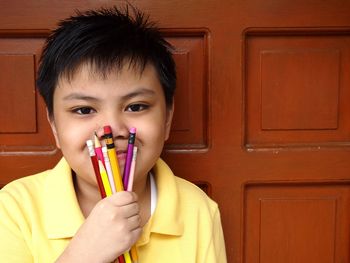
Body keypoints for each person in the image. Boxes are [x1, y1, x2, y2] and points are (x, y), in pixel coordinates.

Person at [0, 5, 227, 263]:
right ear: (53, 125)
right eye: (84, 109)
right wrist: (84, 255)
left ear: (167, 119)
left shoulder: (198, 209)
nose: (111, 130)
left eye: (136, 106)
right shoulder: (14, 209)